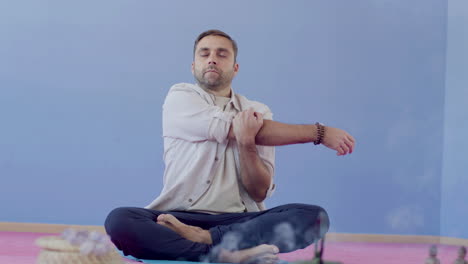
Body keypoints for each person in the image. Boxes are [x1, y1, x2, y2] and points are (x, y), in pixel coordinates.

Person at [105, 29, 355, 263]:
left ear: (235, 68)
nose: (212, 59)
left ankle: (207, 242)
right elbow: (230, 126)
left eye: (221, 54)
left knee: (313, 217)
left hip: (241, 220)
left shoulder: (258, 111)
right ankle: (224, 255)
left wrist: (247, 142)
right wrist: (318, 133)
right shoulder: (179, 97)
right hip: (178, 216)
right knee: (120, 220)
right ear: (193, 66)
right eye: (205, 53)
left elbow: (258, 192)